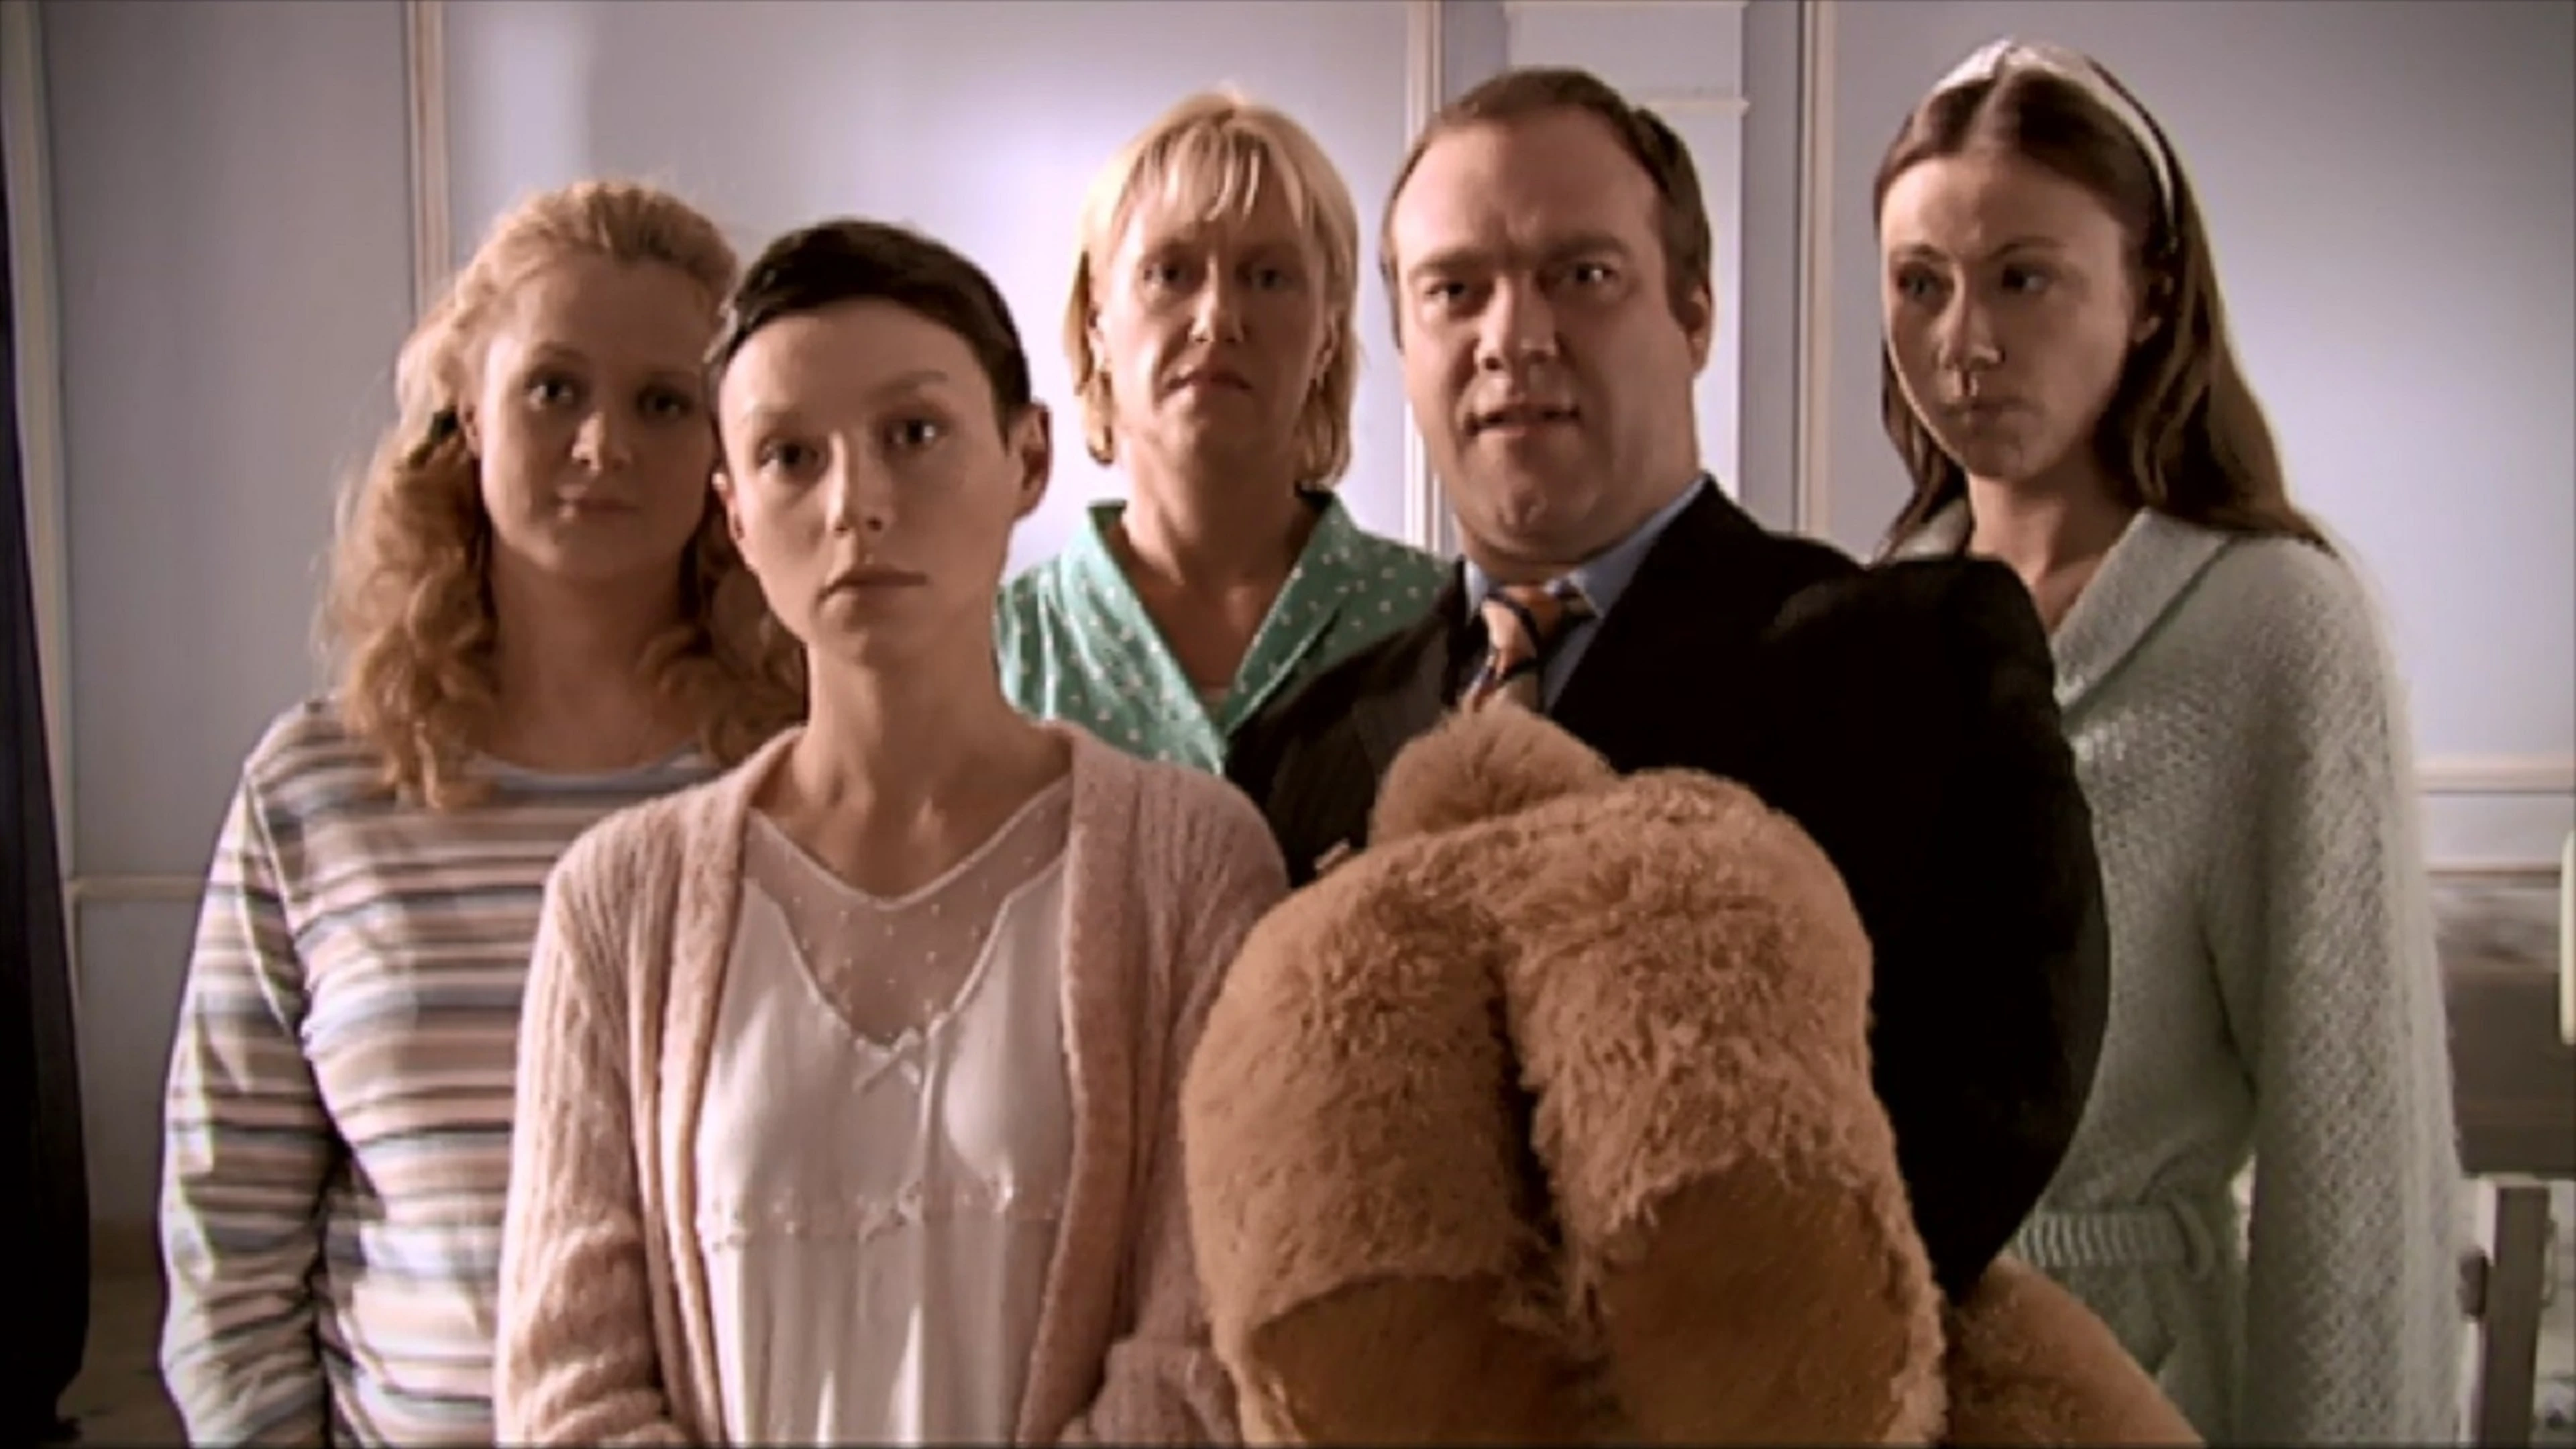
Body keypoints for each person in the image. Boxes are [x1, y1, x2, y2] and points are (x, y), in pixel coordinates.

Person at [1224, 65, 2110, 1308]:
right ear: (1405, 347)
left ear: (1696, 313)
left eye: (1580, 276)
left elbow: (1991, 1103)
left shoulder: (1914, 659)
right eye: (1455, 290)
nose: (1513, 337)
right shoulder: (1295, 751)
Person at [493, 217, 1283, 1446]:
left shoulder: (1191, 863)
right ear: (734, 516)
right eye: (790, 457)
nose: (855, 504)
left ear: (1028, 457)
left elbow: (1202, 1354)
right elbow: (567, 1389)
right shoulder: (617, 902)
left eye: (913, 435)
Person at [1872, 38, 2465, 1443]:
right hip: (1884, 1371)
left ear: (2149, 296)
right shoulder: (1879, 622)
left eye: (2024, 278)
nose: (1964, 341)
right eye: (1921, 283)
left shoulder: (2274, 628)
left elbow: (2354, 1152)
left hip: (2142, 1381)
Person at [158, 179, 802, 1445]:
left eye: (662, 402)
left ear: (726, 443)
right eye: (554, 389)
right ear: (467, 410)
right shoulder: (313, 792)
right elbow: (227, 1240)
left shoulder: (805, 785)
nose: (603, 445)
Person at [997, 89, 1448, 771]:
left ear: (1328, 333)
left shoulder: (1441, 625)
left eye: (1267, 278)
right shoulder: (999, 654)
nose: (1217, 319)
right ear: (1097, 324)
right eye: (1169, 274)